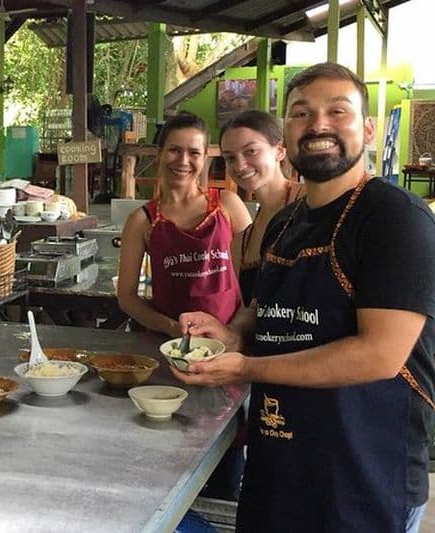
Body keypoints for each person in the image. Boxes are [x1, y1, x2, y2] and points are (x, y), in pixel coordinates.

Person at [176, 63, 435, 533]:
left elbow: (380, 354)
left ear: (369, 129)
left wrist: (247, 367)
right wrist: (231, 336)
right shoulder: (285, 222)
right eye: (301, 113)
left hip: (363, 478)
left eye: (338, 111)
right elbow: (268, 312)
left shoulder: (395, 218)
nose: (318, 125)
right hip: (280, 462)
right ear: (288, 135)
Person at [117, 111, 251, 338]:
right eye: (174, 150)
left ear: (205, 157)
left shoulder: (227, 204)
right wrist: (171, 328)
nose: (183, 161)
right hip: (170, 346)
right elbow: (127, 297)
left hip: (229, 341)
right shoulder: (142, 220)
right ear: (159, 154)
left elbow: (258, 278)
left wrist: (233, 333)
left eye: (194, 152)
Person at [220, 109, 304, 302]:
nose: (240, 165)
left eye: (251, 151)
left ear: (280, 150)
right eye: (230, 158)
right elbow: (247, 311)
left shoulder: (310, 201)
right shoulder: (239, 244)